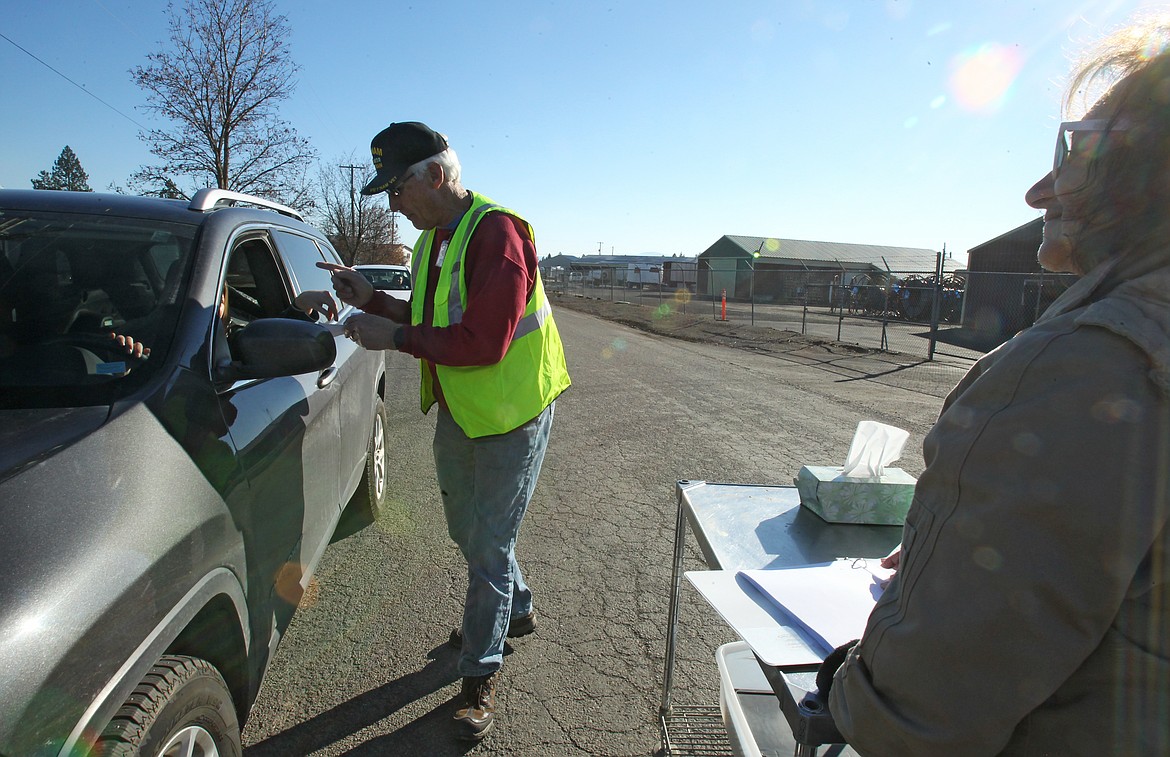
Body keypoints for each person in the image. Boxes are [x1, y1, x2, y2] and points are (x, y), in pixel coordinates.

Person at [818, 18, 1170, 755]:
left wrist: (842, 685)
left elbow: (914, 713)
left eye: (1078, 149)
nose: (1039, 188)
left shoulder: (1087, 363)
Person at [322, 121, 571, 741]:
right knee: (468, 531)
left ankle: (478, 678)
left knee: (487, 546)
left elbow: (484, 341)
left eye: (397, 188)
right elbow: (431, 317)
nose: (391, 204)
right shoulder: (437, 239)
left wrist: (397, 339)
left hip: (514, 415)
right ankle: (516, 608)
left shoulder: (498, 235)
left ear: (436, 174)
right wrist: (374, 302)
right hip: (464, 410)